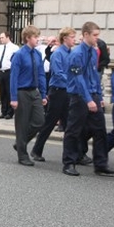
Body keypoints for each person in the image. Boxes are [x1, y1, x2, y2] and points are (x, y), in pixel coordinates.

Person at [62, 21, 114, 177]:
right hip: (79, 96)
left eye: (98, 35)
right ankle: (69, 163)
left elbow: (94, 75)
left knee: (100, 130)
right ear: (85, 35)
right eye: (95, 35)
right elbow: (78, 78)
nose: (97, 38)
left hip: (92, 94)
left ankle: (100, 164)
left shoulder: (94, 52)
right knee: (73, 130)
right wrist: (88, 100)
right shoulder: (76, 53)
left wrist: (98, 96)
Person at [31, 27, 75, 161]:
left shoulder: (71, 53)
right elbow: (58, 73)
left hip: (68, 92)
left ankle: (76, 153)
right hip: (58, 92)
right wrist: (73, 82)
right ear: (65, 38)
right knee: (50, 122)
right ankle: (36, 150)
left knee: (70, 125)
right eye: (72, 37)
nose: (74, 39)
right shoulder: (58, 54)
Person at [9, 25, 47, 166]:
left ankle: (20, 143)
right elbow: (13, 77)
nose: (38, 39)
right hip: (21, 92)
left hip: (34, 91)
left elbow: (41, 74)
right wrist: (13, 98)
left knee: (40, 121)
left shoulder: (37, 54)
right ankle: (22, 155)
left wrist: (43, 94)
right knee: (22, 124)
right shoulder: (19, 55)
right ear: (27, 38)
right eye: (36, 37)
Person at [0, 32, 18, 120]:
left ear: (8, 37)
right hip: (1, 71)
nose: (1, 39)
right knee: (2, 93)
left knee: (9, 92)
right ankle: (3, 111)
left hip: (9, 71)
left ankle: (10, 112)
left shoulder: (14, 48)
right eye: (0, 38)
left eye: (2, 37)